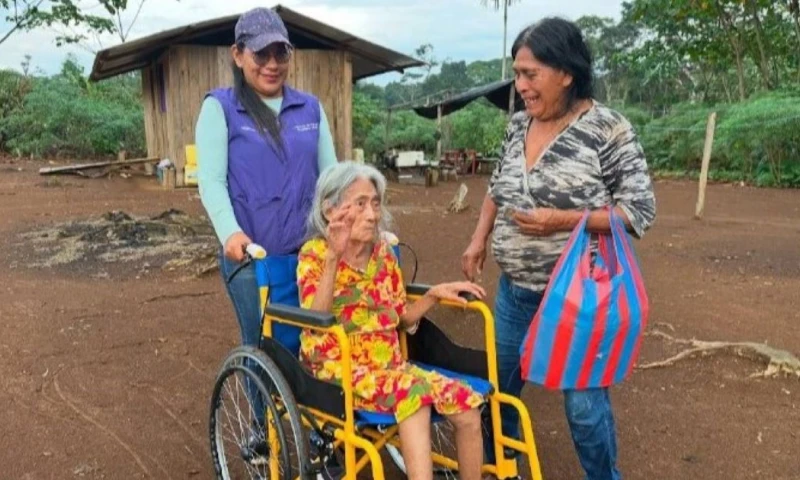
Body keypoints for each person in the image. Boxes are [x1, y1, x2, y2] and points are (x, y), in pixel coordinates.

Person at [461, 18, 656, 480]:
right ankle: (504, 465)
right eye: (518, 73)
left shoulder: (608, 129)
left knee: (585, 406)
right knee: (498, 392)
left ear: (566, 73)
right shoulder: (517, 126)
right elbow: (497, 187)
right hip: (515, 293)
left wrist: (563, 221)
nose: (521, 85)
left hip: (579, 298)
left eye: (531, 74)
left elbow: (639, 212)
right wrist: (478, 238)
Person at [194, 6, 337, 463]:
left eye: (281, 52)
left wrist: (346, 224)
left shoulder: (310, 109)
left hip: (307, 252)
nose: (272, 63)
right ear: (237, 55)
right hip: (251, 255)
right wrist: (230, 232)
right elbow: (211, 180)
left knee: (315, 339)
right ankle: (262, 431)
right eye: (261, 54)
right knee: (265, 344)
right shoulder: (221, 108)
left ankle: (315, 429)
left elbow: (330, 176)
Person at [298, 161, 486, 480]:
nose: (372, 214)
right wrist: (333, 256)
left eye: (375, 203)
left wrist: (434, 295)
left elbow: (399, 318)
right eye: (360, 204)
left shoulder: (383, 255)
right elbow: (316, 322)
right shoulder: (314, 254)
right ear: (331, 211)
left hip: (390, 367)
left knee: (467, 406)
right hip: (338, 370)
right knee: (414, 398)